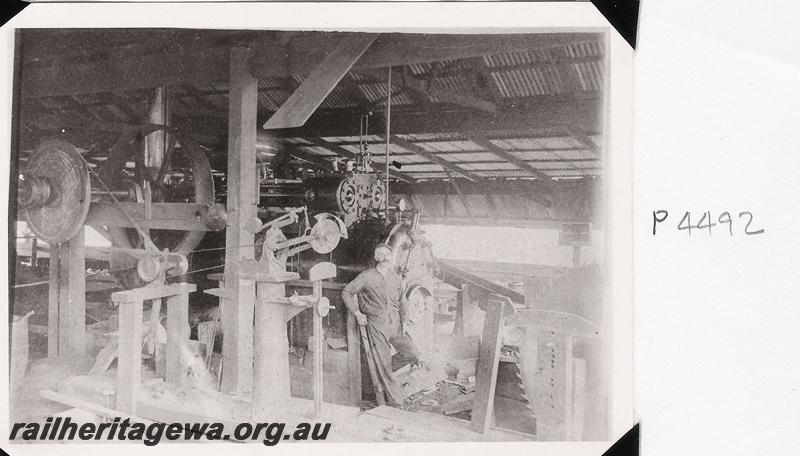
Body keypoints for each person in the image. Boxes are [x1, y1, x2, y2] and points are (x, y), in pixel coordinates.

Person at [342, 243, 422, 406]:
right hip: (377, 325)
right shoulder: (367, 276)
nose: (386, 257)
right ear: (377, 257)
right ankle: (395, 403)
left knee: (413, 353)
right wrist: (357, 313)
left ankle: (383, 370)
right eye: (382, 254)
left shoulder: (394, 277)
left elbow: (402, 301)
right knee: (385, 367)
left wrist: (405, 322)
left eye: (388, 254)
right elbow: (347, 292)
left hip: (396, 325)